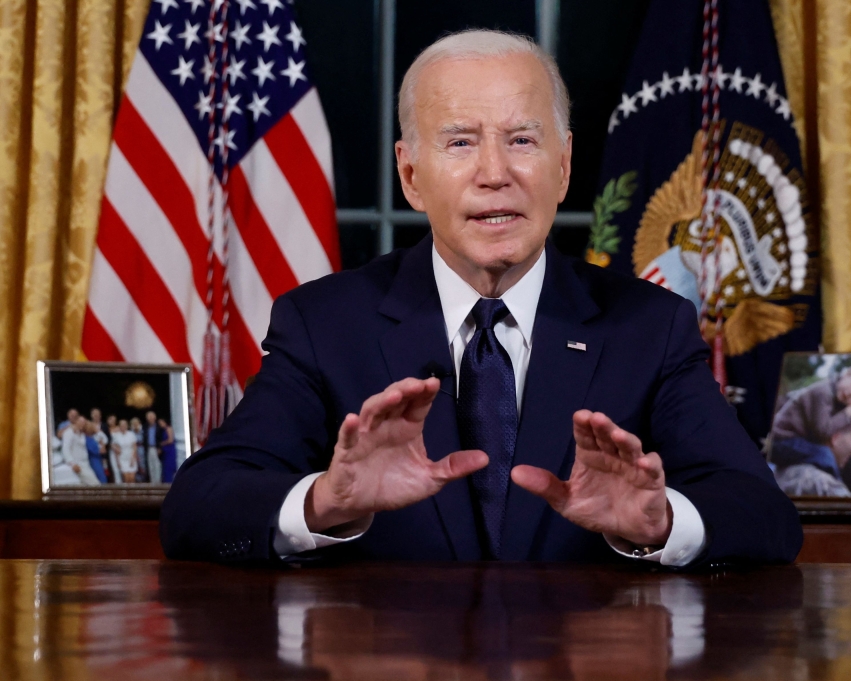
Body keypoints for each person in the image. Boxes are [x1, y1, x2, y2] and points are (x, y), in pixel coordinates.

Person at [161, 30, 801, 568]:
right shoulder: (325, 323)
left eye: (523, 139)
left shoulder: (651, 325)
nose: (496, 172)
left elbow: (764, 515)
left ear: (564, 166)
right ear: (411, 176)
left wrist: (660, 523)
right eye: (461, 141)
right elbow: (199, 505)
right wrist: (326, 502)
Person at [771, 362, 851, 447]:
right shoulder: (823, 392)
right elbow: (822, 432)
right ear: (847, 374)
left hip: (795, 438)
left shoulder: (839, 401)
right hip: (781, 436)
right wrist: (846, 414)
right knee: (822, 455)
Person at [144, 411, 163, 484]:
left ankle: (158, 482)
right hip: (148, 448)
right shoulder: (145, 427)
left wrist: (160, 448)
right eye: (149, 417)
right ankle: (152, 482)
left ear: (155, 418)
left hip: (156, 448)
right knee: (150, 465)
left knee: (157, 465)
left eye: (152, 417)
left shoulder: (159, 427)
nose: (150, 419)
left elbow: (161, 438)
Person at [158, 419, 177, 484]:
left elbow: (170, 440)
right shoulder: (162, 430)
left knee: (169, 467)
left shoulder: (169, 429)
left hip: (169, 451)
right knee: (165, 469)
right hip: (165, 452)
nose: (161, 424)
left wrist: (162, 443)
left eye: (161, 422)